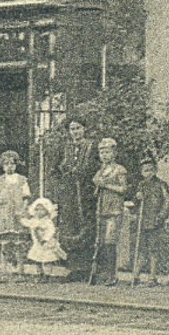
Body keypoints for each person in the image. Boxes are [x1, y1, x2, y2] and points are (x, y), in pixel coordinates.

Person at [46, 118, 97, 281]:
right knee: (69, 228)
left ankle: (87, 268)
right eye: (72, 129)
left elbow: (97, 168)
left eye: (79, 128)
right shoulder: (63, 147)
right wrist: (60, 186)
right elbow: (53, 171)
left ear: (85, 129)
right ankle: (72, 268)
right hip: (68, 195)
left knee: (86, 227)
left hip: (86, 194)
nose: (76, 132)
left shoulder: (92, 146)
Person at [126, 154, 169, 284]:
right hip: (142, 221)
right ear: (141, 172)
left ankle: (152, 277)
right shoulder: (141, 185)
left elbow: (168, 201)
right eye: (145, 170)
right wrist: (137, 198)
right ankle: (136, 275)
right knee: (140, 249)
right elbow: (136, 204)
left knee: (153, 250)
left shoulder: (161, 185)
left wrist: (161, 216)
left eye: (151, 170)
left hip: (155, 222)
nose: (148, 173)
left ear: (155, 170)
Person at [90, 137, 128, 285]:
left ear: (114, 153)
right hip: (102, 209)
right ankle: (100, 273)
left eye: (107, 152)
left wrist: (106, 185)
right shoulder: (101, 171)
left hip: (114, 210)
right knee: (100, 242)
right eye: (102, 152)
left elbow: (123, 189)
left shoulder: (119, 170)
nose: (104, 155)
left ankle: (112, 275)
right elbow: (96, 186)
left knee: (110, 242)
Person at [0, 150, 32, 275]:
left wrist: (23, 210)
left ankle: (20, 270)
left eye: (12, 164)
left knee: (19, 244)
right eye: (6, 164)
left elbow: (26, 197)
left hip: (18, 214)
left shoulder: (22, 180)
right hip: (5, 215)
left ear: (16, 165)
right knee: (5, 244)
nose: (9, 166)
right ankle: (4, 270)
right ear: (2, 166)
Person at [20, 196, 68, 272]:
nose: (39, 212)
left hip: (45, 243)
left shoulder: (47, 221)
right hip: (37, 244)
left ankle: (48, 273)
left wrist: (46, 238)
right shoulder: (34, 220)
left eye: (42, 210)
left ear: (47, 211)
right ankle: (40, 272)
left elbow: (51, 230)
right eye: (37, 209)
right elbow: (27, 223)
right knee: (37, 259)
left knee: (47, 259)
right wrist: (21, 219)